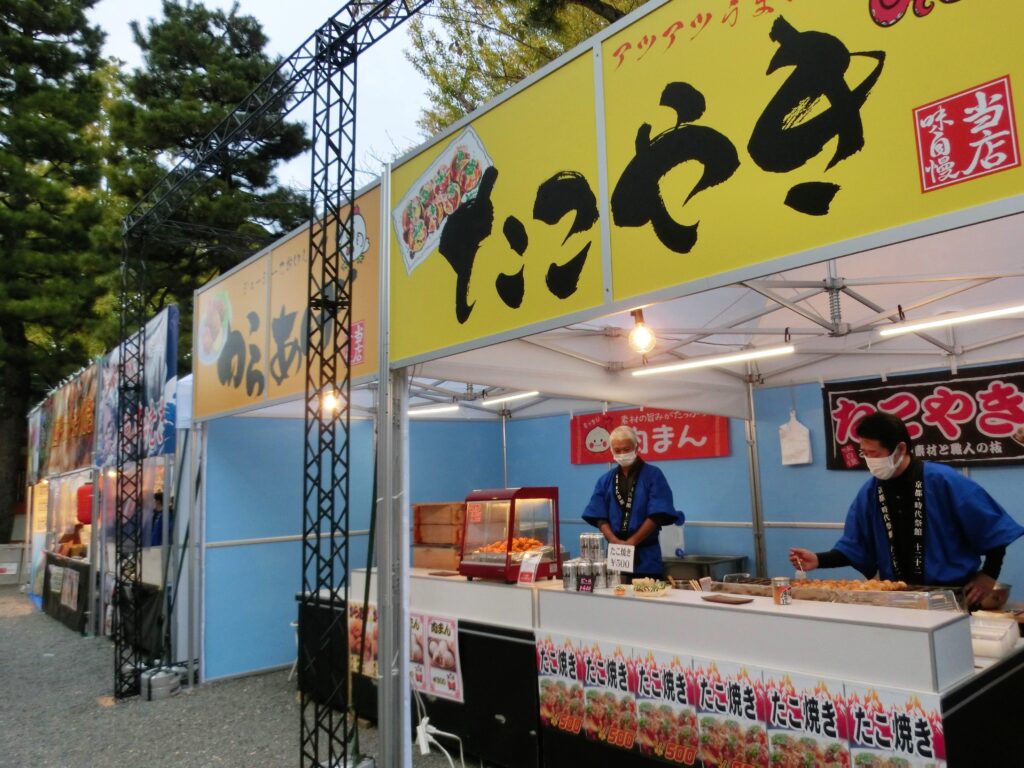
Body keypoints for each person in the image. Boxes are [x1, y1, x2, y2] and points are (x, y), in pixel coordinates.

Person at [789, 412, 1024, 606]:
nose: (869, 460)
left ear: (900, 449)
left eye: (875, 454)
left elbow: (992, 529)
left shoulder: (944, 481)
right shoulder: (871, 491)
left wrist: (989, 574)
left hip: (953, 595)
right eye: (865, 453)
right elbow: (856, 545)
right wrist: (819, 560)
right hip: (897, 597)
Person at [583, 425, 683, 581]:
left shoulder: (653, 475)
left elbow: (657, 514)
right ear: (611, 451)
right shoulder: (605, 480)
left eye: (626, 449)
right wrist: (614, 540)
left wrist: (632, 542)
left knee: (648, 598)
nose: (622, 454)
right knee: (617, 597)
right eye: (617, 450)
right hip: (617, 553)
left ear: (637, 447)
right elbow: (598, 515)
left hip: (646, 554)